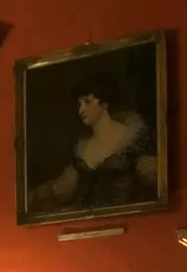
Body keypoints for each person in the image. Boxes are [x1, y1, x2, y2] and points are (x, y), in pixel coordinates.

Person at [34, 73, 159, 211]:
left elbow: (152, 177)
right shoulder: (81, 150)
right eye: (79, 104)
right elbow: (63, 190)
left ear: (104, 103)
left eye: (87, 102)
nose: (81, 110)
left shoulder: (135, 140)